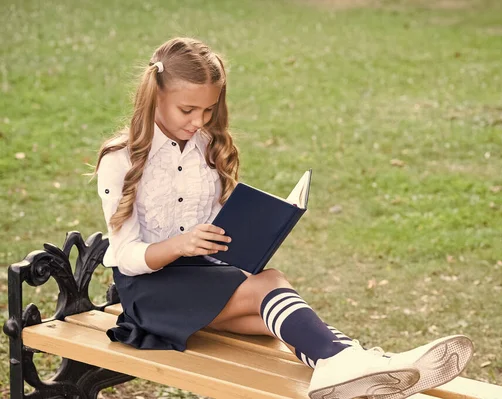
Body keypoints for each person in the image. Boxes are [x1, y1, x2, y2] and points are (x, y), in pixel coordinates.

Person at [94, 37, 474, 399]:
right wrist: (180, 244)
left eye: (209, 110)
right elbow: (125, 255)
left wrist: (247, 237)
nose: (199, 121)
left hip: (200, 279)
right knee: (270, 286)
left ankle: (362, 365)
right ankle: (361, 363)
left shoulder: (206, 147)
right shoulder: (120, 160)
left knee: (280, 320)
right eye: (187, 110)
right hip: (150, 292)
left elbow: (213, 229)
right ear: (155, 95)